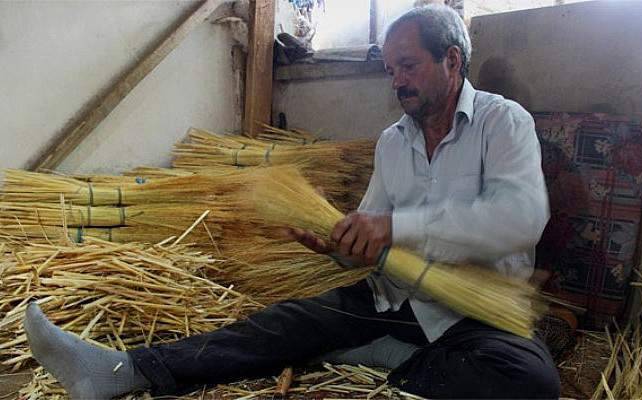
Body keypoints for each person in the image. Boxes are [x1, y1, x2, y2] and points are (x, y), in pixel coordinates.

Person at [23, 5, 560, 399]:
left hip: (475, 313)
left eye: (409, 66)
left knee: (532, 381)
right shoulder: (394, 142)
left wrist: (397, 228)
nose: (397, 81)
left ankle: (391, 361)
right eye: (390, 69)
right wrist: (338, 245)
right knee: (276, 326)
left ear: (452, 60)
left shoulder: (503, 123)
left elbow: (521, 219)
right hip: (392, 297)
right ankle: (121, 371)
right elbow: (369, 238)